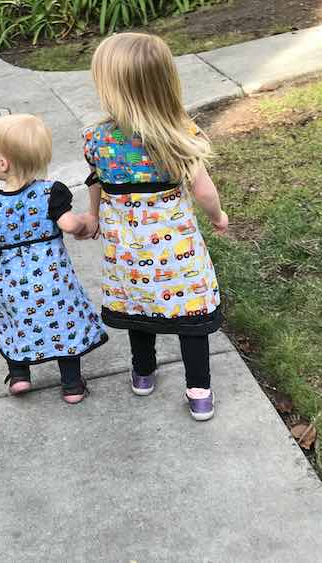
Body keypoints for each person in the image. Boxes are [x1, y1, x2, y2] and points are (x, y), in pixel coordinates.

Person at [77, 33, 228, 421]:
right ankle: (199, 392)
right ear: (164, 81)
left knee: (136, 306)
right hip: (175, 250)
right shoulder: (180, 134)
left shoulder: (96, 139)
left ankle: (143, 373)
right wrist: (217, 217)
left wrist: (92, 216)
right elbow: (203, 189)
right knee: (189, 315)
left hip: (126, 249)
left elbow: (95, 181)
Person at [0, 114, 108, 404]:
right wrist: (84, 222)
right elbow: (68, 224)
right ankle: (71, 386)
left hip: (14, 286)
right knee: (63, 324)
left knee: (16, 323)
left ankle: (19, 375)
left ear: (2, 163)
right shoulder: (51, 192)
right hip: (54, 282)